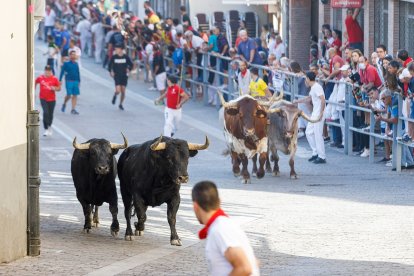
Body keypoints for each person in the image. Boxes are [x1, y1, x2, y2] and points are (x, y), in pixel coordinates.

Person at [191, 181, 260, 276]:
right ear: (219, 201)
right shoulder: (223, 224)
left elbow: (244, 267)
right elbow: (253, 262)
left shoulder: (220, 229)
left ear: (195, 206)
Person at [294, 71, 326, 164]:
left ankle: (322, 156)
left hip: (318, 113)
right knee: (309, 132)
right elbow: (309, 98)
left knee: (317, 134)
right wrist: (298, 101)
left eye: (305, 79)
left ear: (308, 79)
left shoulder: (317, 87)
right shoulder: (313, 87)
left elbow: (323, 100)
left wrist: (320, 113)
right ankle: (316, 152)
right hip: (315, 113)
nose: (305, 80)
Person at [35, 65, 61, 136]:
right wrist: (33, 92)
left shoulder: (54, 79)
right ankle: (46, 129)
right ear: (45, 71)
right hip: (43, 98)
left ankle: (49, 126)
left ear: (51, 71)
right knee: (45, 112)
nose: (47, 72)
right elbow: (34, 82)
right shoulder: (40, 78)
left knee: (50, 114)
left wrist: (55, 88)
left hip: (52, 99)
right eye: (46, 71)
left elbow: (59, 88)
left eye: (49, 71)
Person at [108, 46, 134, 110]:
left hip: (124, 76)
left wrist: (128, 69)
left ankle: (121, 104)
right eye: (115, 49)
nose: (115, 50)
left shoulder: (125, 57)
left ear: (121, 49)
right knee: (118, 90)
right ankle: (115, 95)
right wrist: (111, 72)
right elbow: (109, 65)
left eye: (117, 49)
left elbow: (131, 64)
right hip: (117, 75)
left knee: (123, 91)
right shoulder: (114, 57)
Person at [60, 51, 81, 115]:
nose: (73, 56)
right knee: (69, 94)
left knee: (75, 95)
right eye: (72, 55)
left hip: (75, 81)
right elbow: (62, 71)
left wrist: (79, 81)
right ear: (70, 56)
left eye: (74, 55)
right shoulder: (66, 64)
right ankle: (64, 103)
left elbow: (78, 72)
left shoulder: (76, 64)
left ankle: (73, 109)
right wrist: (60, 80)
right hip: (68, 81)